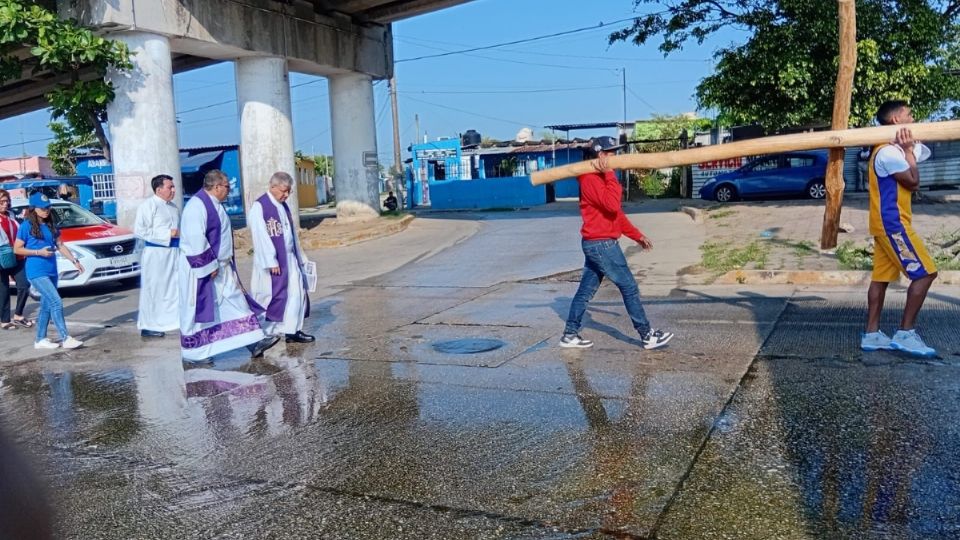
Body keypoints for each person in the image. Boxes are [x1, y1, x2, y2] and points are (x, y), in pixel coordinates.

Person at [560, 136, 673, 350]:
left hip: (598, 243)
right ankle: (647, 335)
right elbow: (612, 205)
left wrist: (637, 235)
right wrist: (610, 174)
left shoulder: (598, 178)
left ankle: (569, 334)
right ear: (601, 155)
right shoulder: (590, 179)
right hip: (601, 244)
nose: (616, 157)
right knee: (628, 286)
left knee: (585, 291)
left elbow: (616, 216)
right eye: (612, 153)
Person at [861, 100, 937, 356]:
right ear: (896, 120)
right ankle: (905, 333)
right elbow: (913, 182)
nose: (913, 119)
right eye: (909, 115)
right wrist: (906, 151)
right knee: (925, 273)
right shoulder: (888, 153)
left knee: (880, 279)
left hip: (884, 223)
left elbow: (923, 152)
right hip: (894, 224)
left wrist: (908, 147)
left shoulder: (888, 149)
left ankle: (871, 335)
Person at [178, 169, 279, 362]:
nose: (229, 190)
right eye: (227, 186)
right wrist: (208, 266)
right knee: (199, 310)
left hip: (221, 267)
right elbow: (193, 238)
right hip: (202, 271)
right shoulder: (196, 206)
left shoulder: (214, 205)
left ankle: (254, 341)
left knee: (237, 303)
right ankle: (194, 353)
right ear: (216, 187)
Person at [249, 172, 314, 344]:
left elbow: (289, 233)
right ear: (273, 186)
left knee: (296, 293)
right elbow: (260, 236)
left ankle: (293, 330)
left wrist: (300, 255)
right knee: (272, 295)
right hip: (273, 263)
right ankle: (266, 332)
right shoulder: (260, 206)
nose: (286, 195)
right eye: (284, 191)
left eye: (288, 192)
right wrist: (271, 260)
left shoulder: (281, 205)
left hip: (290, 259)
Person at [12, 192, 83, 350]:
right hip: (36, 271)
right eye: (43, 208)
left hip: (52, 270)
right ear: (34, 208)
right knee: (56, 301)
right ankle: (65, 338)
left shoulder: (50, 225)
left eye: (48, 207)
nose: (46, 210)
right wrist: (38, 252)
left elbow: (60, 245)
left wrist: (74, 261)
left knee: (46, 305)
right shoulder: (26, 226)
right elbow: (17, 249)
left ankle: (40, 339)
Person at [133, 174, 181, 338]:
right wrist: (168, 234)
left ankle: (172, 320)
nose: (173, 190)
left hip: (174, 253)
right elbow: (140, 230)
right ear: (159, 189)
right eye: (170, 187)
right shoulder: (148, 206)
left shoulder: (173, 207)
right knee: (154, 289)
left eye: (173, 187)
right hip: (156, 253)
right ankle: (148, 324)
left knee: (173, 287)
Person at [0, 189, 32, 331]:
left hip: (17, 256)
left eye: (7, 201)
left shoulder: (12, 215)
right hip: (2, 258)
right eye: (2, 202)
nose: (5, 204)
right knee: (4, 290)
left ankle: (18, 314)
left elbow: (19, 231)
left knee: (24, 285)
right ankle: (5, 320)